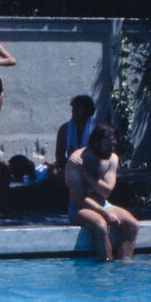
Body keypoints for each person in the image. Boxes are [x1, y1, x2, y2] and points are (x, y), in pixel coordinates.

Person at [75, 124, 140, 263]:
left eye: (113, 145)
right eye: (108, 145)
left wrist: (87, 177)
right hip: (80, 207)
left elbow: (106, 192)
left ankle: (125, 265)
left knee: (133, 225)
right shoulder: (77, 161)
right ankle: (106, 267)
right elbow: (78, 198)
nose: (111, 148)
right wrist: (104, 213)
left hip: (104, 204)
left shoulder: (112, 159)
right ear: (96, 143)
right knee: (100, 225)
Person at [54, 96, 100, 224]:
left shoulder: (97, 129)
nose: (74, 113)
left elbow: (101, 156)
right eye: (73, 110)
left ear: (88, 112)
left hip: (90, 170)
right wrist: (72, 167)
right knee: (54, 173)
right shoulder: (64, 129)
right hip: (70, 169)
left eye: (78, 110)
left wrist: (84, 169)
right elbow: (59, 156)